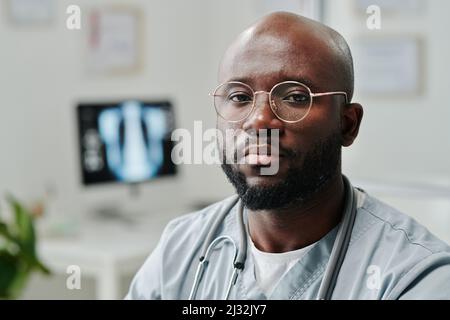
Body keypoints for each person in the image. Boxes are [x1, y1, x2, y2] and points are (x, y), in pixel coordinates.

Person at [126, 12, 450, 300]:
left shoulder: (415, 276)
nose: (259, 120)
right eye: (239, 96)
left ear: (347, 124)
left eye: (295, 97)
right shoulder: (180, 249)